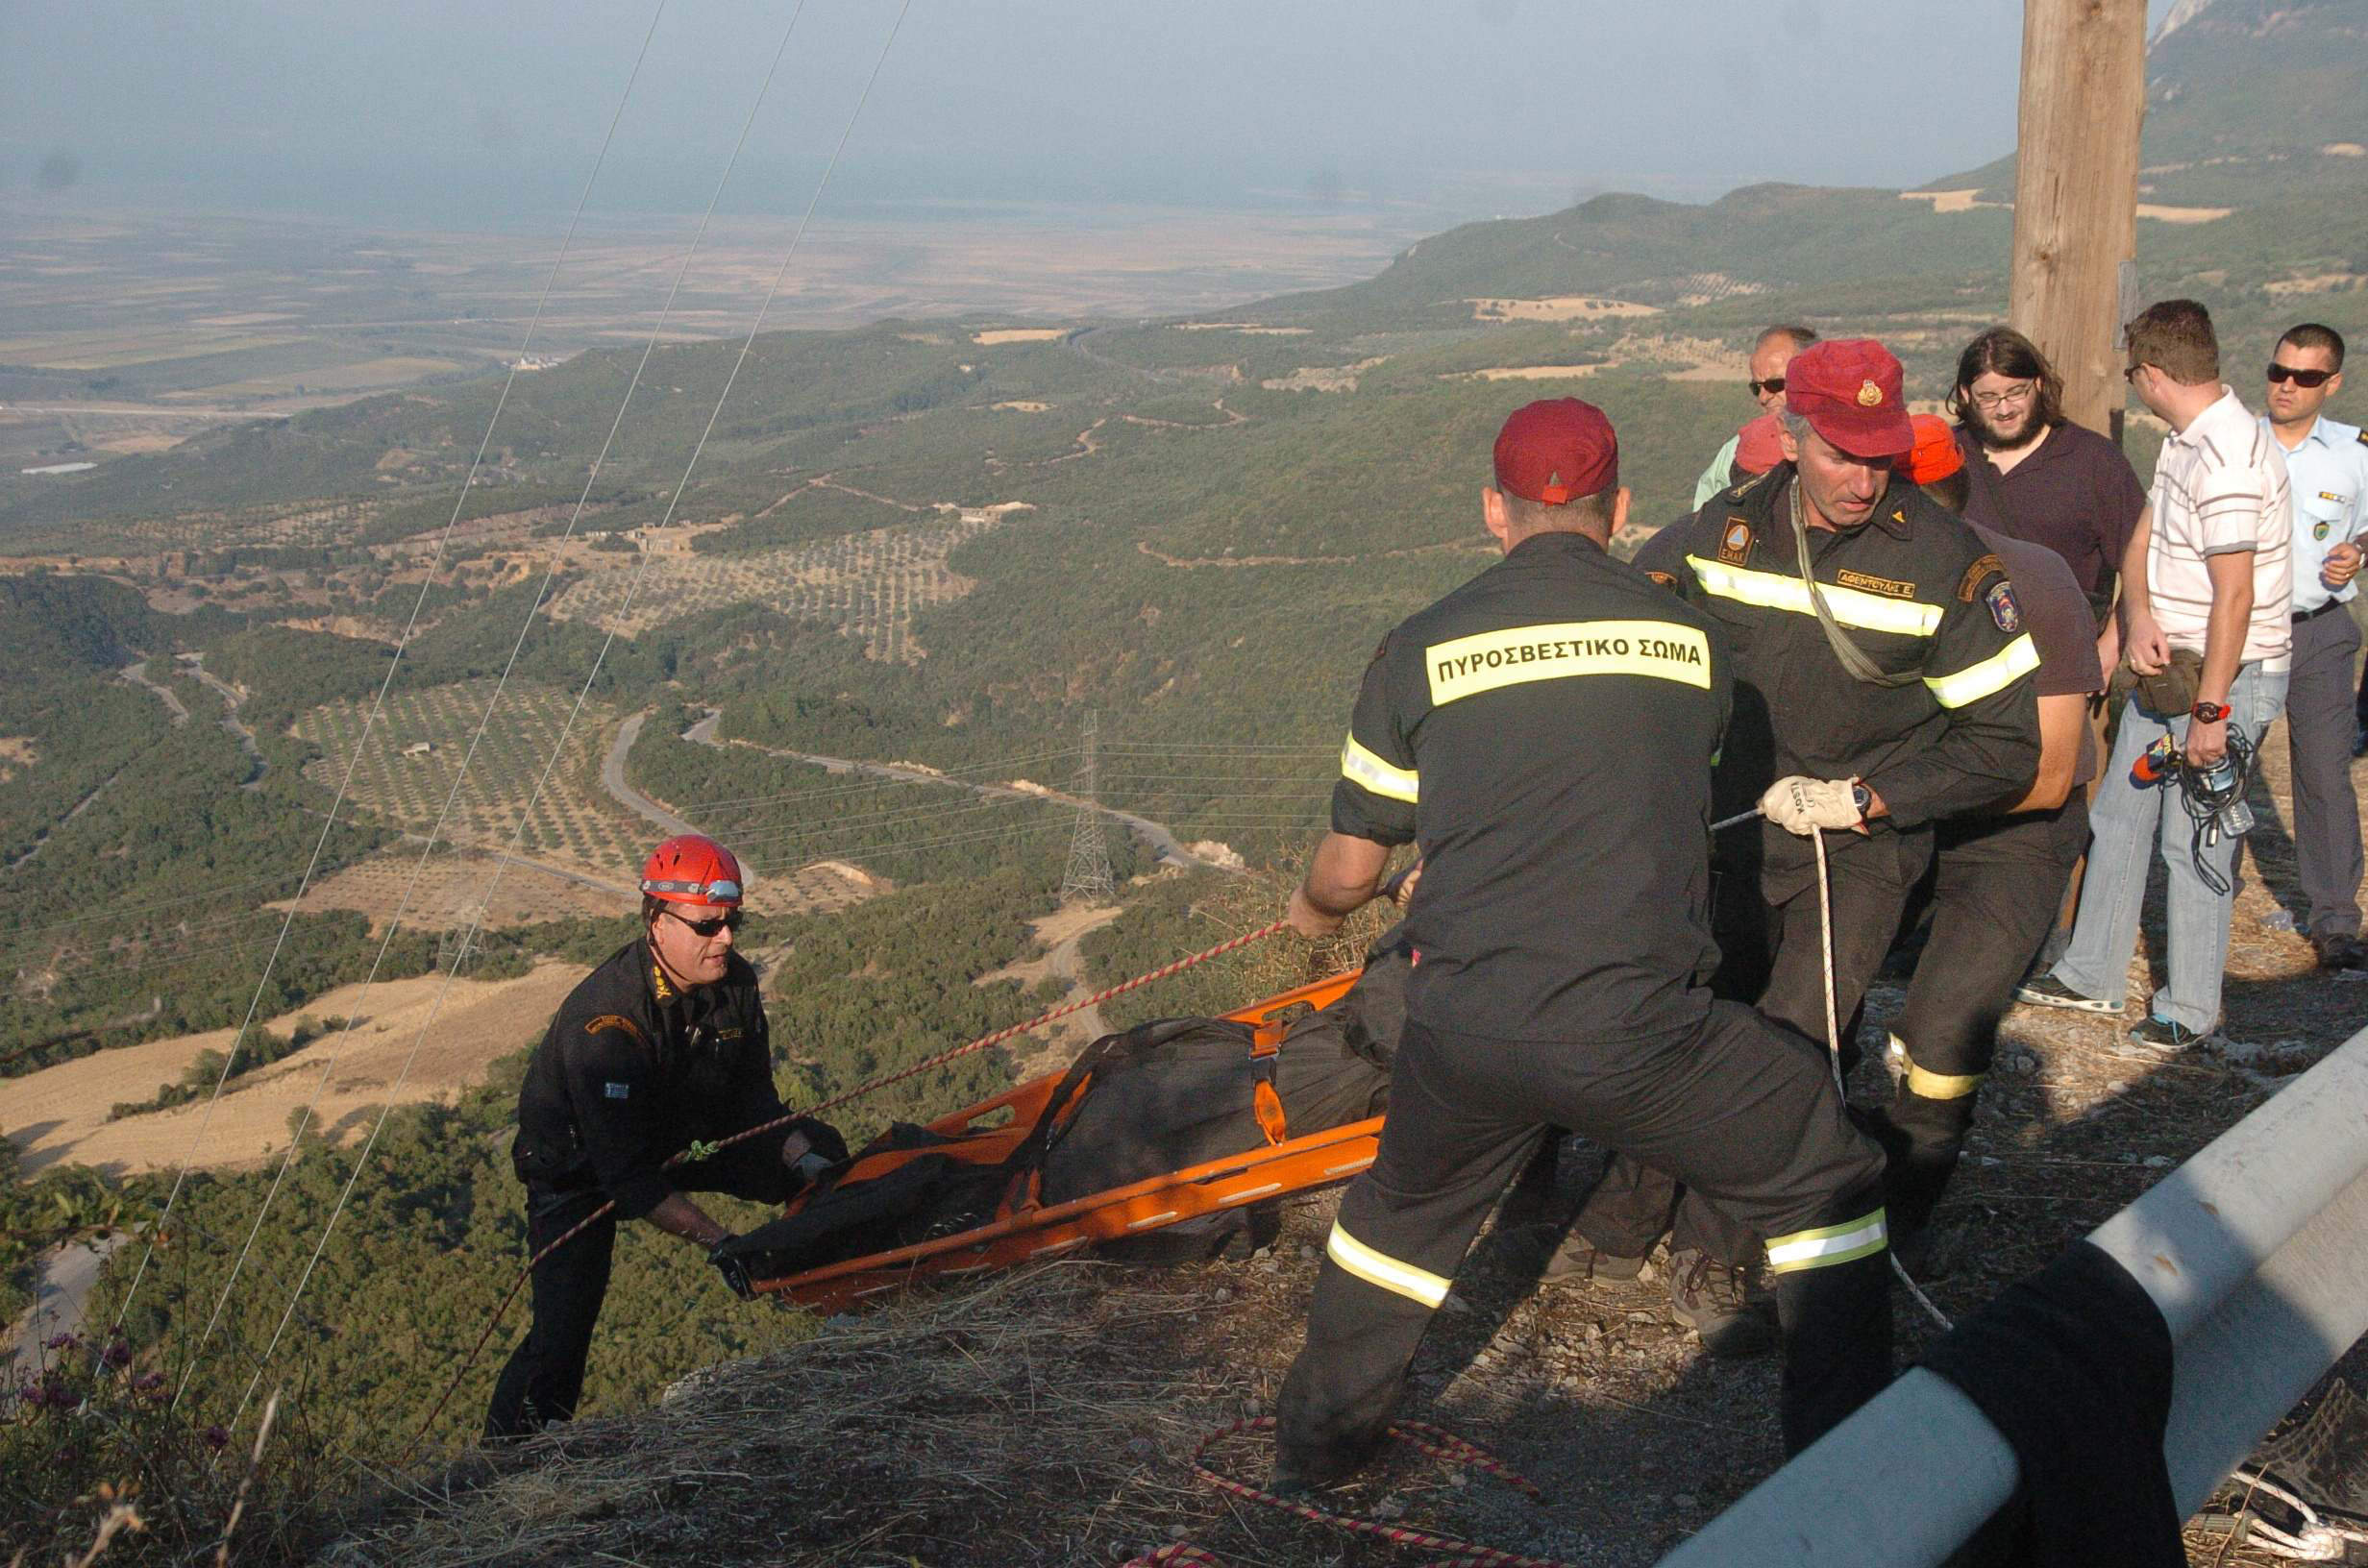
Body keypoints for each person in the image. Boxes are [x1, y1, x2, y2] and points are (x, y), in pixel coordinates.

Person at [1273, 397, 1892, 1489]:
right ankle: (1847, 1466)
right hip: (1638, 1030)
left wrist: (1316, 916)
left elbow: (1352, 867)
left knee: (1395, 1224)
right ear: (1617, 510)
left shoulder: (1417, 646)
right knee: (1818, 1163)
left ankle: (1319, 1452)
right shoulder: (1694, 643)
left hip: (1463, 1022)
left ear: (1489, 513)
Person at [1562, 340, 2042, 1321]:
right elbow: (1629, 632)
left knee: (1789, 1045)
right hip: (1728, 835)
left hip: (1858, 850)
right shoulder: (1720, 533)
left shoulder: (1946, 565)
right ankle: (1624, 1216)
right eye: (1840, 455)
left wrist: (1864, 798)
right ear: (1791, 438)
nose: (1864, 479)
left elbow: (2003, 746)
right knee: (1692, 1026)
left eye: (1881, 455)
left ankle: (1717, 1249)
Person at [483, 834, 847, 1439]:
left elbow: (754, 1097)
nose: (726, 939)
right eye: (707, 927)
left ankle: (845, 1283)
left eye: (733, 922)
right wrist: (722, 1242)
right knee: (563, 1329)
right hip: (580, 1169)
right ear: (656, 920)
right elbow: (625, 1178)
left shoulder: (734, 984)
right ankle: (510, 1459)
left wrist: (805, 1161)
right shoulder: (607, 1024)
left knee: (822, 1146)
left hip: (680, 1134)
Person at [2019, 301, 2294, 1050]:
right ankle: (2093, 974)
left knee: (2194, 840)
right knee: (2121, 814)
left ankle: (2192, 1008)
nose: (2134, 385)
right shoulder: (2185, 442)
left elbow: (2234, 594)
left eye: (2134, 372)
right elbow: (2144, 538)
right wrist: (2132, 622)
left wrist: (2212, 714)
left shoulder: (2231, 458)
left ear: (2154, 373)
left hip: (2219, 681)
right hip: (2164, 665)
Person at [1884, 417, 2104, 1250]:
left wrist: (1886, 799)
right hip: (1904, 814)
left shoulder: (2032, 580)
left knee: (1945, 1035)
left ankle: (1904, 1226)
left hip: (2013, 834)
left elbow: (2049, 775)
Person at [2259, 324, 2367, 970]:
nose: (2286, 387)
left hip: (2320, 629)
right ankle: (2212, 900)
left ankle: (2336, 923)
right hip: (2240, 630)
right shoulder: (2236, 442)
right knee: (2218, 769)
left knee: (2325, 774)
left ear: (2332, 383)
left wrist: (2359, 551)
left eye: (2303, 377)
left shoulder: (2356, 451)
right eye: (2278, 372)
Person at [1949, 326, 2149, 643]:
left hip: (2066, 657)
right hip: (1966, 653)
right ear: (1965, 395)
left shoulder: (2094, 461)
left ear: (2039, 384)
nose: (2004, 408)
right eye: (1988, 397)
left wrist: (2111, 647)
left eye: (2016, 392)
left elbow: (2143, 563)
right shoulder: (1945, 458)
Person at [1691, 326, 1820, 508]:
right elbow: (1703, 525)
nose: (1763, 397)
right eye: (1756, 388)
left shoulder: (1847, 440)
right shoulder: (1734, 451)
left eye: (1776, 384)